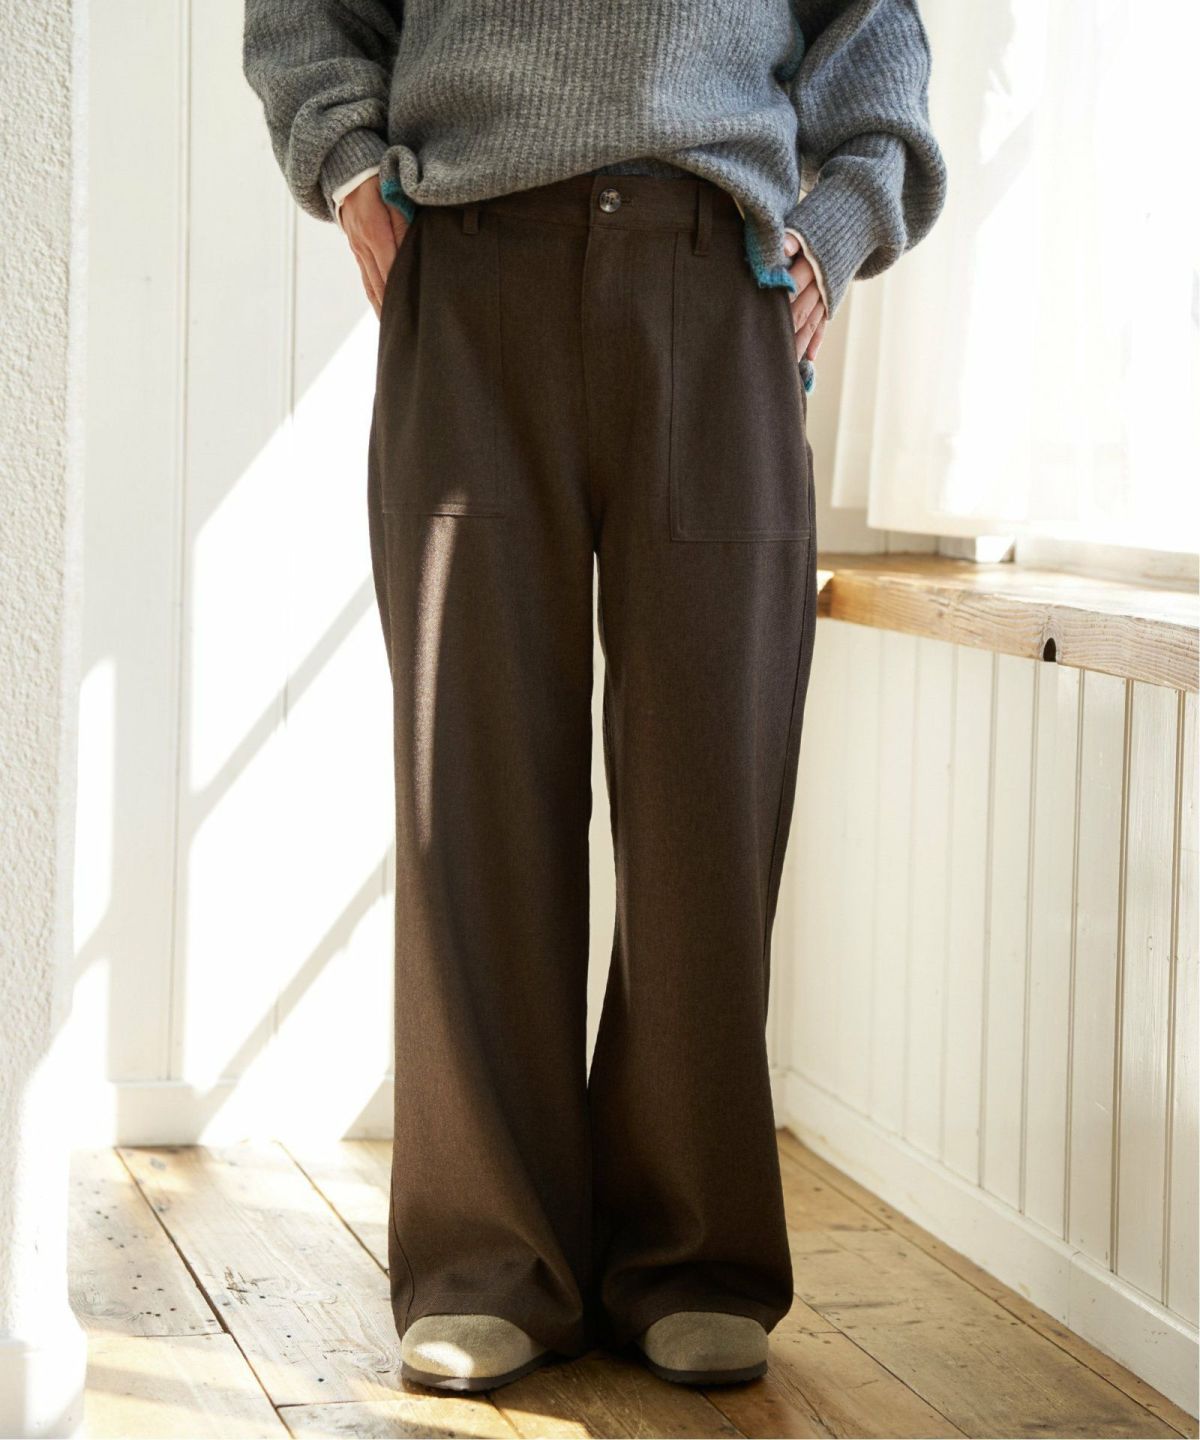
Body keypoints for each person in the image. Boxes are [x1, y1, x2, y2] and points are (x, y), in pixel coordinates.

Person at [243, 0, 945, 1394]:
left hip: (717, 272)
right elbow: (302, 14)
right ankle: (484, 1260)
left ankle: (692, 1256)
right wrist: (350, 167)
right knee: (470, 775)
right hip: (470, 268)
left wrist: (836, 226)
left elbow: (877, 35)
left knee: (709, 783)